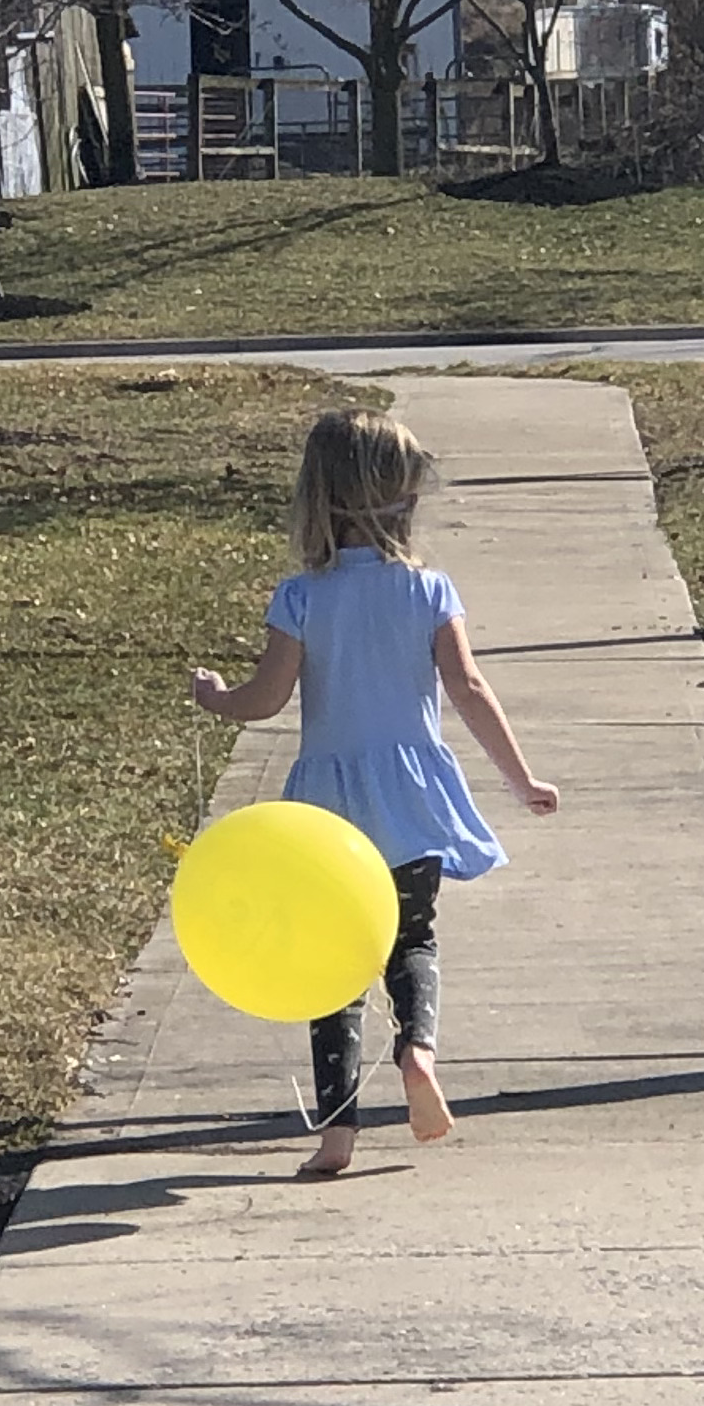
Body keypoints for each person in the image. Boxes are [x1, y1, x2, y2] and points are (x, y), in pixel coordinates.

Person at [191, 406, 557, 1180]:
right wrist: (520, 779)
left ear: (317, 498)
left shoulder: (302, 596)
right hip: (411, 805)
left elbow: (266, 699)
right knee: (413, 942)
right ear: (404, 496)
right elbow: (469, 688)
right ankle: (418, 1050)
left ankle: (336, 1137)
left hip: (327, 818)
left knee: (330, 971)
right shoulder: (429, 590)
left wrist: (217, 697)